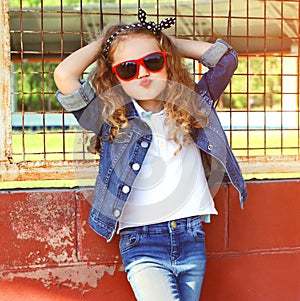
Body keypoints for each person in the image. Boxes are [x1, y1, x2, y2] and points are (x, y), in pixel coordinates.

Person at [54, 8, 247, 301]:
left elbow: (226, 59)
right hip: (142, 242)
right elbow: (65, 75)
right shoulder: (109, 118)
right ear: (115, 76)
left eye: (153, 62)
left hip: (191, 236)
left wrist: (163, 41)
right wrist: (110, 41)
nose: (143, 72)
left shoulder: (192, 106)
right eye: (128, 68)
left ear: (167, 64)